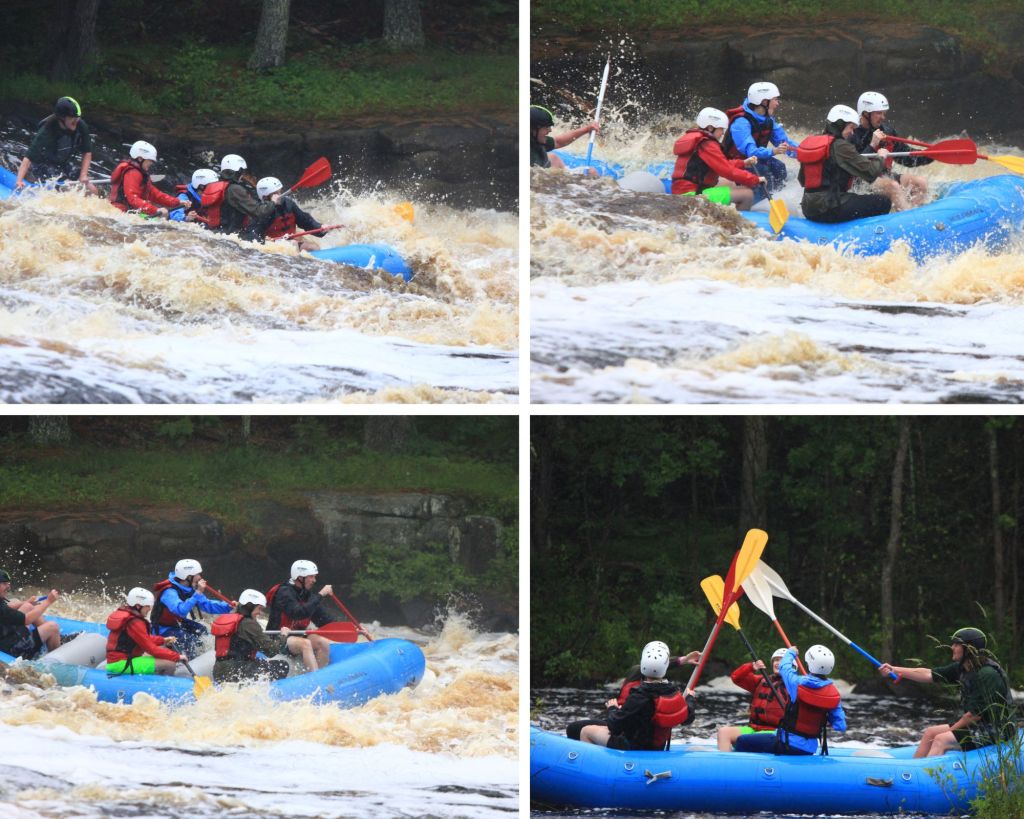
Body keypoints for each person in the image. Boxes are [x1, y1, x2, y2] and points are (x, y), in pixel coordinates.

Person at [878, 628, 1014, 757]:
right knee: (930, 733)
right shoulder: (962, 668)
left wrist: (951, 730)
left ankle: (928, 777)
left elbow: (974, 716)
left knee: (940, 739)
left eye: (957, 644)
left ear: (969, 649)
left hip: (997, 730)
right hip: (978, 726)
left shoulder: (987, 674)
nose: (952, 647)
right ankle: (912, 771)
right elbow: (928, 674)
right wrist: (894, 670)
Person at [567, 641, 698, 751]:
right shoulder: (674, 694)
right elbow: (688, 716)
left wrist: (612, 708)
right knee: (574, 729)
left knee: (585, 731)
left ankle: (592, 771)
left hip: (632, 744)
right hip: (656, 747)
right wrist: (689, 699)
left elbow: (615, 726)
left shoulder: (639, 696)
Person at [735, 645, 846, 756]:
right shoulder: (834, 694)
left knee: (741, 741)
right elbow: (840, 726)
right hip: (809, 748)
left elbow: (784, 668)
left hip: (786, 743)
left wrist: (791, 652)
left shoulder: (796, 684)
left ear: (809, 664)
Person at [796, 104, 899, 223]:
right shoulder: (840, 145)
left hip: (808, 207)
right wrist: (881, 157)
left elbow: (802, 180)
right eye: (851, 127)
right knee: (883, 201)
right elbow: (871, 173)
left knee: (854, 198)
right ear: (840, 125)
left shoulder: (813, 142)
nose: (852, 133)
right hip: (829, 207)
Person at [670, 107, 765, 210]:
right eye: (721, 129)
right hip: (691, 196)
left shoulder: (698, 139)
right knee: (747, 194)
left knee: (729, 183)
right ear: (710, 128)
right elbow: (727, 171)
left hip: (682, 191)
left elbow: (720, 164)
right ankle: (738, 224)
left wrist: (743, 163)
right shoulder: (707, 144)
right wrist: (755, 180)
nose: (723, 133)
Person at [849, 91, 930, 208]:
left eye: (884, 113)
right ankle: (908, 218)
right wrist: (872, 144)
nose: (883, 117)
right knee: (893, 186)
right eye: (879, 113)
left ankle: (916, 213)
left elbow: (906, 157)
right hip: (862, 181)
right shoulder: (851, 133)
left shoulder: (887, 131)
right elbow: (854, 166)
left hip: (885, 176)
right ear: (866, 113)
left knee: (920, 183)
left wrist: (931, 156)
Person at [720, 81, 799, 199]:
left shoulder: (768, 120)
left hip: (755, 160)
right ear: (764, 102)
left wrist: (806, 152)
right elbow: (750, 152)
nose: (777, 103)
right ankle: (758, 204)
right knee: (763, 171)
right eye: (775, 99)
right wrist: (773, 151)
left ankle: (777, 198)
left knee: (779, 168)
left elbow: (785, 143)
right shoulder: (741, 122)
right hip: (736, 163)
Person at [14, 96, 98, 195]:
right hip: (43, 165)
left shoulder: (81, 125)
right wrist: (19, 181)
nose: (76, 120)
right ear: (61, 117)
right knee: (67, 188)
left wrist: (83, 175)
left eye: (78, 117)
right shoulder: (46, 130)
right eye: (72, 117)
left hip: (63, 164)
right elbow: (28, 158)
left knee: (91, 188)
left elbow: (87, 152)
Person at [151, 558, 233, 659]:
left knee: (202, 631)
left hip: (176, 624)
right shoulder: (169, 592)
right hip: (161, 629)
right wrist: (197, 593)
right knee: (188, 640)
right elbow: (181, 610)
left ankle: (206, 659)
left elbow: (207, 605)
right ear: (188, 577)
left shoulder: (189, 589)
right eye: (197, 574)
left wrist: (228, 606)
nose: (200, 577)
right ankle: (187, 663)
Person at [266, 560, 339, 672]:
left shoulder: (306, 595)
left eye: (314, 577)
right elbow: (298, 613)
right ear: (300, 577)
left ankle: (322, 674)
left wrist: (353, 628)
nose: (314, 580)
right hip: (279, 637)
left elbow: (324, 620)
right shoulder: (283, 593)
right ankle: (315, 679)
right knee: (305, 644)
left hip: (297, 636)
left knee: (323, 642)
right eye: (311, 577)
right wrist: (320, 595)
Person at [717, 647, 790, 751]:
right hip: (753, 729)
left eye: (782, 660)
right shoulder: (761, 681)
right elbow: (736, 677)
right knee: (723, 732)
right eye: (776, 660)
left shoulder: (794, 685)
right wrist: (751, 667)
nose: (778, 663)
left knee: (744, 740)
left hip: (774, 732)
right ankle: (725, 763)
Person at [211, 589, 292, 683]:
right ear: (250, 606)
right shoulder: (249, 624)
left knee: (258, 661)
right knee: (282, 665)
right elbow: (271, 651)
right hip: (238, 672)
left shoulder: (228, 618)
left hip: (219, 672)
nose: (260, 612)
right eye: (259, 608)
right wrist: (283, 635)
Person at [105, 587, 182, 676]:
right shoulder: (134, 622)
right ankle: (165, 687)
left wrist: (163, 640)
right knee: (169, 664)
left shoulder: (130, 617)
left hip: (119, 661)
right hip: (121, 664)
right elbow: (151, 649)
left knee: (163, 649)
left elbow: (144, 638)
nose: (149, 609)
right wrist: (178, 657)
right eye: (147, 606)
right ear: (138, 605)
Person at [109, 141, 194, 220]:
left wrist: (177, 202)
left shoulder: (140, 173)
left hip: (129, 212)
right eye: (150, 160)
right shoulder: (133, 173)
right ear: (140, 159)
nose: (151, 163)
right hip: (121, 213)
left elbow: (155, 194)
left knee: (163, 218)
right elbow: (133, 199)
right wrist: (155, 210)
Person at [215, 154, 279, 240]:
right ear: (237, 171)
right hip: (232, 235)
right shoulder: (234, 189)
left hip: (217, 232)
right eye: (242, 171)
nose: (243, 175)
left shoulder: (217, 185)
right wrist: (273, 202)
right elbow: (259, 212)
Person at [254, 176, 326, 251]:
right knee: (293, 244)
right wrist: (264, 241)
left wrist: (320, 228)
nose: (279, 195)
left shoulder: (288, 204)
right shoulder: (260, 211)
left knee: (314, 247)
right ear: (265, 197)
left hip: (291, 241)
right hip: (273, 247)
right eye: (275, 194)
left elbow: (305, 220)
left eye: (279, 192)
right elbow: (252, 236)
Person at [0, 569, 60, 659]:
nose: (8, 587)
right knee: (52, 627)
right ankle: (56, 659)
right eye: (4, 583)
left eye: (8, 583)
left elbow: (8, 606)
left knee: (28, 606)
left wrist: (26, 602)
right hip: (13, 649)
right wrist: (48, 601)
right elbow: (27, 619)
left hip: (7, 636)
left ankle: (55, 637)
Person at [529, 105, 600, 175]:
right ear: (533, 129)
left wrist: (587, 129)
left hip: (543, 171)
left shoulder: (536, 140)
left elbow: (558, 142)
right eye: (546, 127)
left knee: (553, 158)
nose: (550, 130)